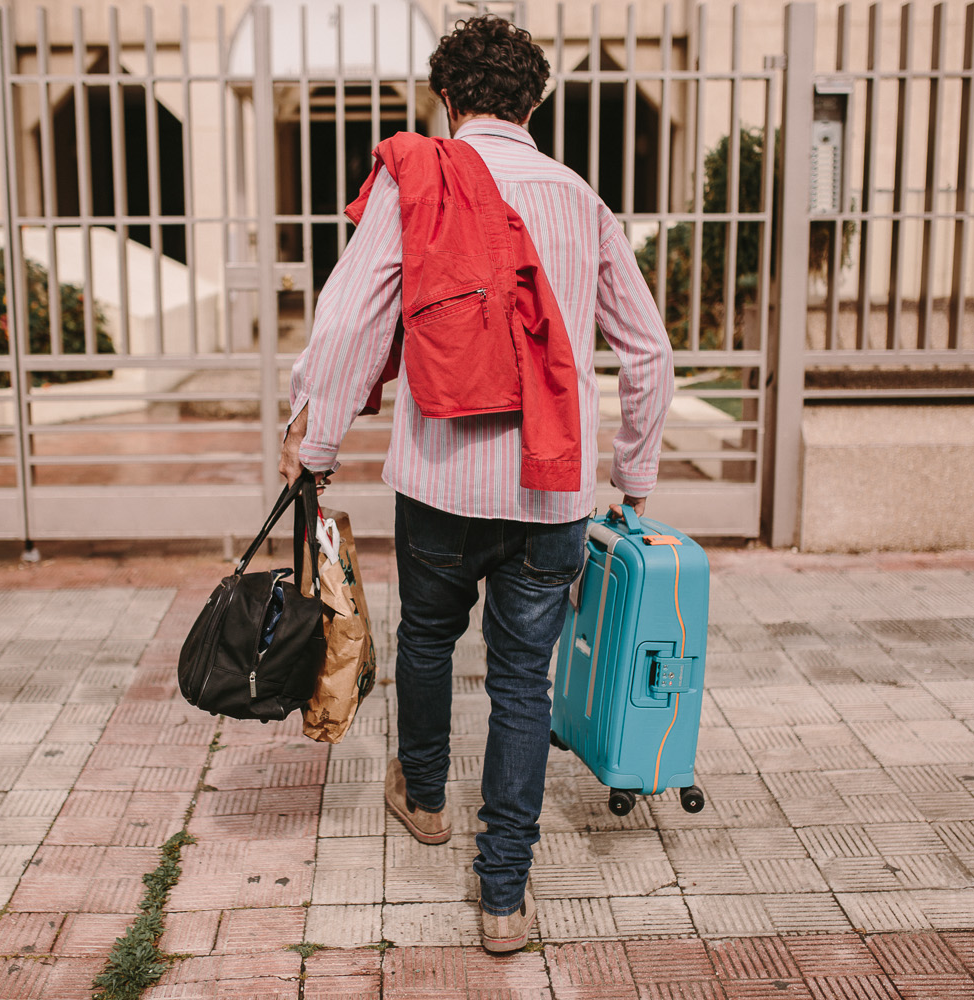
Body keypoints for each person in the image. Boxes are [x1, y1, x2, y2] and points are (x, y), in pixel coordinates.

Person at [280, 14, 673, 953]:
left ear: (445, 99)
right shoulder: (583, 199)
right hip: (553, 493)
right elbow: (648, 351)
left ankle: (422, 795)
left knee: (425, 637)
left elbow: (345, 325)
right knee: (521, 683)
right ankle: (504, 895)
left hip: (442, 481)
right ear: (536, 102)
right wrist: (635, 478)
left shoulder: (419, 180)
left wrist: (317, 442)